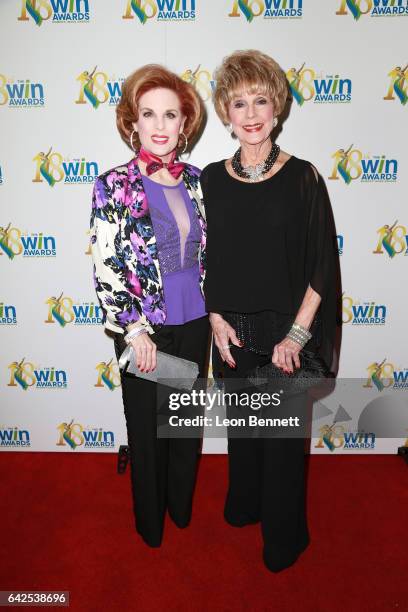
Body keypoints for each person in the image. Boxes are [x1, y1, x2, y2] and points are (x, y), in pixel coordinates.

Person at [201, 50, 337, 572]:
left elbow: (322, 265)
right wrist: (215, 319)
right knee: (244, 431)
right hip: (232, 330)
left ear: (277, 108)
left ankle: (285, 539)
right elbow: (200, 259)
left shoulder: (304, 178)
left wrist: (297, 337)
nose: (251, 112)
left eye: (261, 100)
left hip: (286, 335)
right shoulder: (210, 179)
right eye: (239, 102)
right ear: (226, 112)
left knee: (281, 442)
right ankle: (246, 506)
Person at [90, 65, 209, 547]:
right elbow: (106, 265)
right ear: (132, 122)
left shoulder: (200, 182)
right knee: (147, 431)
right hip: (146, 331)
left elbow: (210, 256)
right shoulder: (111, 185)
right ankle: (150, 526)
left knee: (183, 428)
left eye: (170, 115)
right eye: (148, 114)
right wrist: (133, 330)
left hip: (196, 322)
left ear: (185, 125)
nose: (160, 125)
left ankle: (179, 511)